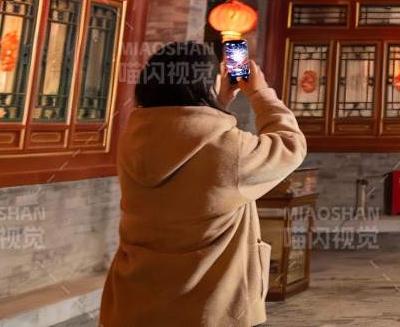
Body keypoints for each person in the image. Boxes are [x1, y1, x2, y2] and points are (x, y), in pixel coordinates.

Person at [101, 40, 306, 327]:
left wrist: (215, 104)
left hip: (133, 303)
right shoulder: (231, 151)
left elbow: (185, 132)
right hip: (208, 308)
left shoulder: (132, 141)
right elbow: (290, 145)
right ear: (205, 86)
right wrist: (259, 92)